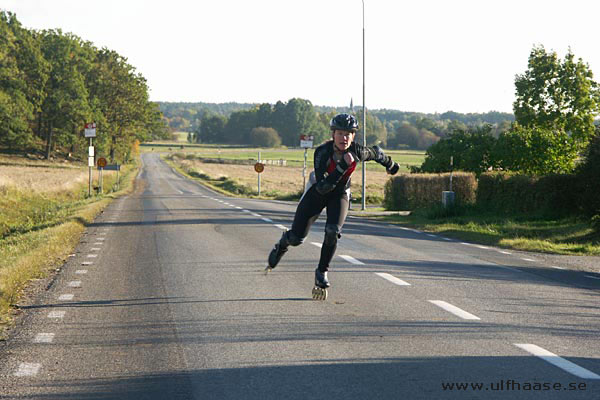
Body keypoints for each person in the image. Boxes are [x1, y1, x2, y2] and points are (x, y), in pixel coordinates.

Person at [266, 113, 400, 299]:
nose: (344, 138)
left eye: (348, 134)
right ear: (333, 134)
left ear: (353, 136)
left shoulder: (358, 151)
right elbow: (323, 187)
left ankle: (321, 272)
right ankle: (282, 244)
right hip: (317, 192)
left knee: (332, 231)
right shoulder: (322, 152)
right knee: (297, 238)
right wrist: (342, 167)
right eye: (340, 133)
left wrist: (391, 165)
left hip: (340, 194)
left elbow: (377, 152)